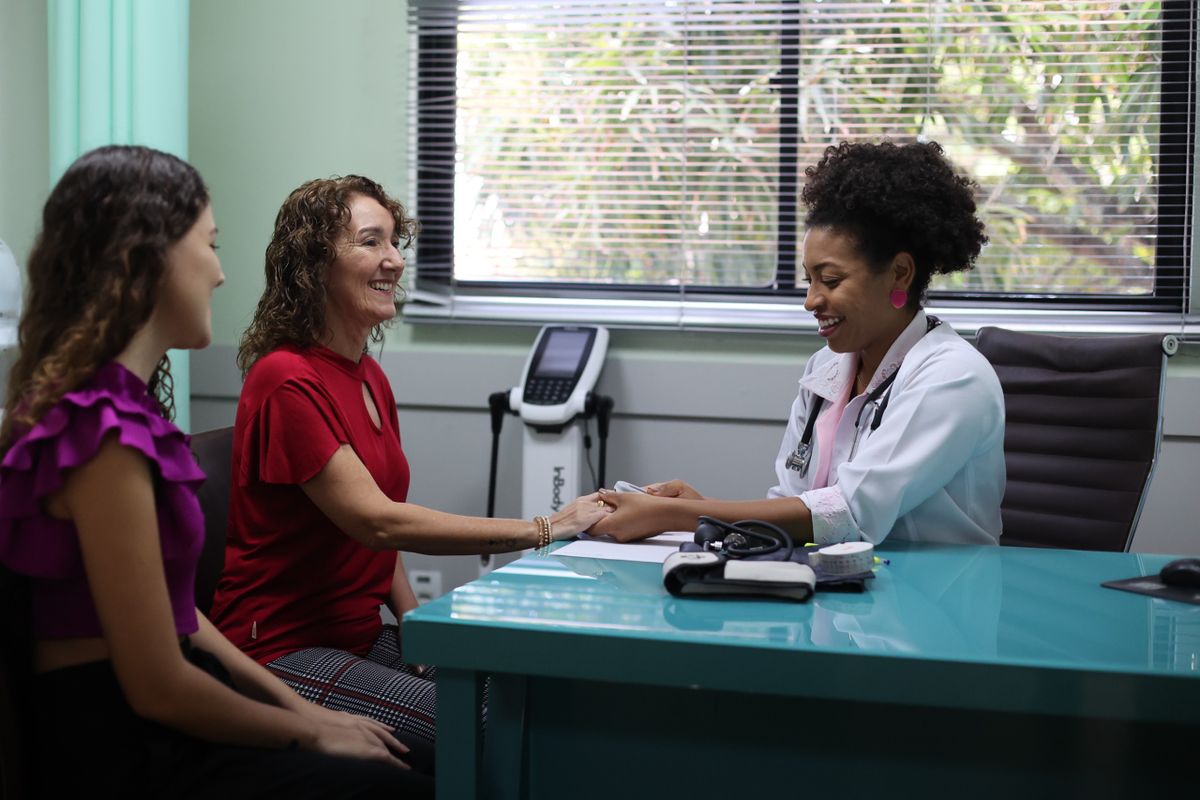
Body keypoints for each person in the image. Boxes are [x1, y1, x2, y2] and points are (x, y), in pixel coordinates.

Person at [0, 146, 434, 798]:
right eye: (209, 245)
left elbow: (184, 619)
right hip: (116, 741)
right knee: (391, 781)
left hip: (156, 705)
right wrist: (311, 731)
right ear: (147, 261)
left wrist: (310, 713)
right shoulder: (99, 432)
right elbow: (160, 688)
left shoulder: (128, 412)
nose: (220, 273)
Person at [208, 175, 611, 744]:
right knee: (488, 724)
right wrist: (547, 527)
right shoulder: (285, 378)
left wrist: (417, 624)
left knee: (531, 696)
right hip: (280, 650)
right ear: (315, 263)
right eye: (371, 242)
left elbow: (383, 519)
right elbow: (376, 522)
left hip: (360, 635)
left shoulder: (369, 376)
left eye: (395, 242)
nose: (394, 261)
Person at [590, 140, 1004, 547]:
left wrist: (679, 515)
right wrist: (706, 510)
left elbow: (850, 512)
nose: (811, 301)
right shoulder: (825, 369)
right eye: (809, 280)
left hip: (934, 602)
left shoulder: (952, 377)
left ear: (899, 273)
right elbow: (796, 508)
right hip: (836, 595)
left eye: (831, 280)